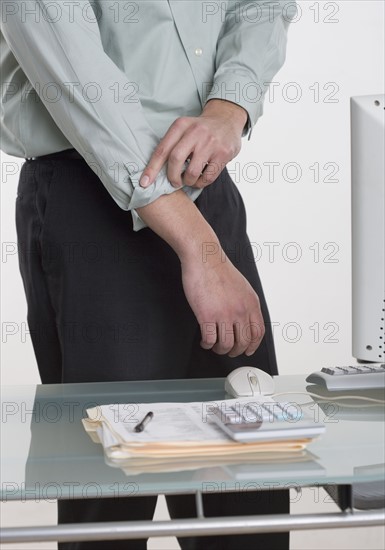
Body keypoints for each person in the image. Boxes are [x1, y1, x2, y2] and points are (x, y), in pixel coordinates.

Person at [1, 1, 296, 548]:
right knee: (113, 488)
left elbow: (261, 4)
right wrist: (202, 251)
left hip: (207, 185)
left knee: (248, 477)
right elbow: (79, 80)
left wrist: (229, 108)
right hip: (90, 193)